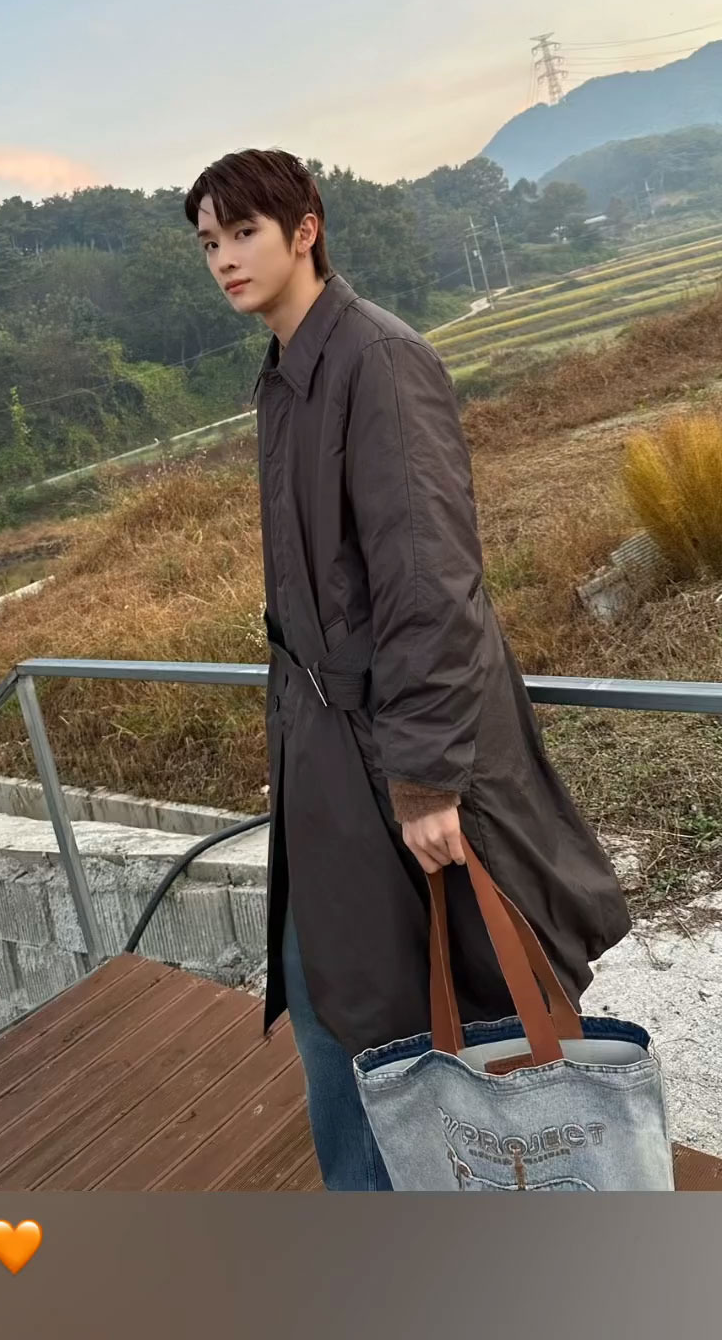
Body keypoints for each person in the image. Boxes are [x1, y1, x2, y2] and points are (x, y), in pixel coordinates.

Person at [184, 147, 631, 1191]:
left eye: (244, 233)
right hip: (329, 759)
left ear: (306, 230)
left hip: (402, 756)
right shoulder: (287, 375)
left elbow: (430, 579)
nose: (225, 260)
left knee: (462, 1005)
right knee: (339, 1000)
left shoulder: (377, 362)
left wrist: (427, 776)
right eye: (208, 243)